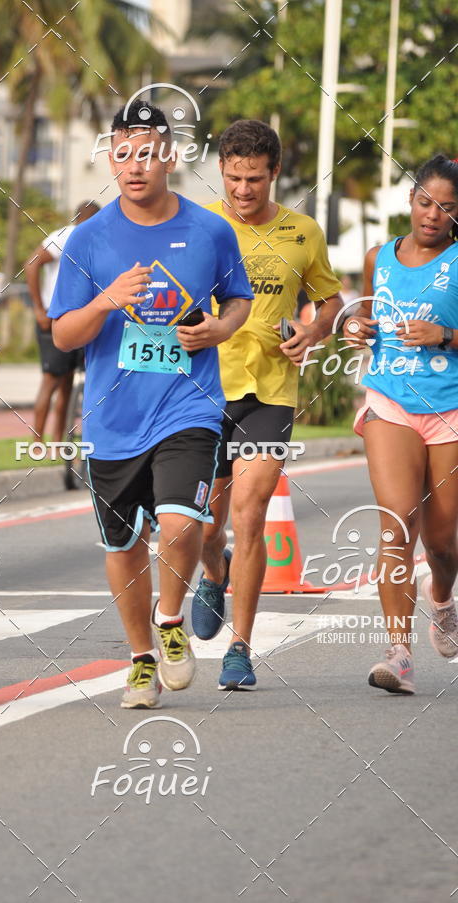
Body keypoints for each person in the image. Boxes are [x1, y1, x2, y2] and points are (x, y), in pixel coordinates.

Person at [49, 100, 253, 709]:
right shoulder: (89, 238)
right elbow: (63, 335)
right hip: (113, 418)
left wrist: (219, 330)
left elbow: (237, 300)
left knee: (183, 523)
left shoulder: (211, 229)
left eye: (148, 152)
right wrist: (106, 300)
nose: (135, 165)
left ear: (169, 157)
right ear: (110, 158)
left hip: (186, 404)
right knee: (122, 545)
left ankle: (171, 622)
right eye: (123, 152)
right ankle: (140, 656)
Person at [191, 119, 342, 690]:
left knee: (250, 515)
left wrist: (314, 330)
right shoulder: (200, 225)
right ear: (222, 172)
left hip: (270, 393)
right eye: (233, 178)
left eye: (254, 179)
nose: (243, 190)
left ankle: (241, 648)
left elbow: (329, 301)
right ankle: (213, 572)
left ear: (274, 173)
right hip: (202, 391)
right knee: (206, 528)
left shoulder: (303, 232)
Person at [344, 153, 458, 695]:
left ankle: (442, 598)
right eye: (424, 202)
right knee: (396, 522)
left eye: (447, 207)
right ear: (409, 200)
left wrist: (445, 336)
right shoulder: (379, 257)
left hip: (450, 410)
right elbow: (363, 314)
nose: (433, 215)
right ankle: (398, 652)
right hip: (390, 399)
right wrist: (356, 327)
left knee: (441, 539)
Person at [25, 202, 100, 445]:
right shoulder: (64, 236)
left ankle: (59, 442)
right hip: (53, 317)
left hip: (81, 320)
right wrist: (39, 308)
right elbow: (31, 264)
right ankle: (37, 441)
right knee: (51, 380)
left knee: (68, 383)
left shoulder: (96, 239)